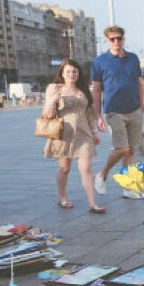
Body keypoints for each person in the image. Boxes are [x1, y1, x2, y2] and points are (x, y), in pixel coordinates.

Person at [40, 59, 105, 213]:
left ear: (78, 73)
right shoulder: (54, 88)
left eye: (74, 71)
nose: (71, 74)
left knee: (86, 169)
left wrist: (94, 132)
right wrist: (53, 100)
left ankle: (92, 203)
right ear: (62, 73)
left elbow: (89, 114)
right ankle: (62, 197)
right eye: (68, 71)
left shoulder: (84, 90)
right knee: (64, 168)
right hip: (63, 133)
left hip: (83, 134)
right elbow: (48, 115)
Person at [90, 25, 144, 198]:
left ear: (123, 39)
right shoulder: (100, 61)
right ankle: (102, 175)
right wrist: (98, 116)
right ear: (107, 41)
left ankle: (128, 188)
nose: (116, 41)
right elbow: (96, 90)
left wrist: (141, 104)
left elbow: (139, 83)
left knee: (131, 151)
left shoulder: (133, 58)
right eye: (112, 39)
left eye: (119, 38)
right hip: (114, 111)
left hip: (134, 110)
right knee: (122, 149)